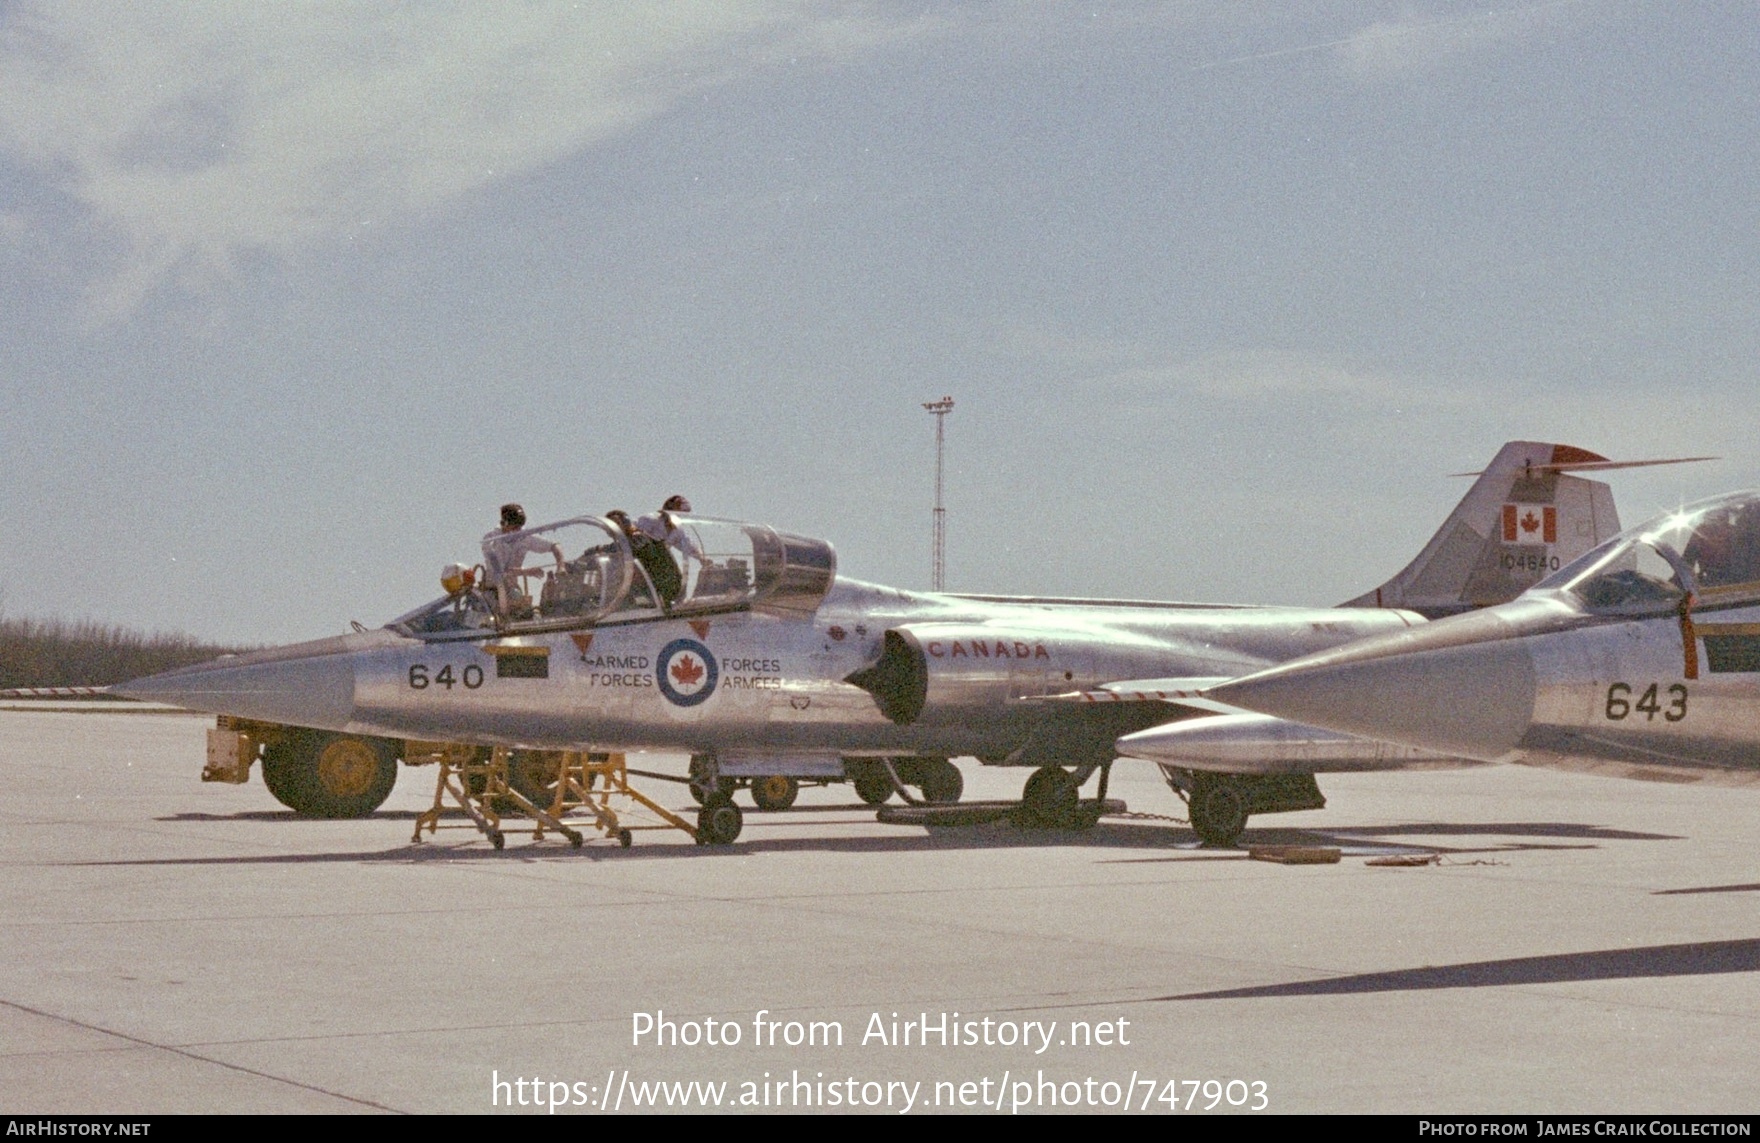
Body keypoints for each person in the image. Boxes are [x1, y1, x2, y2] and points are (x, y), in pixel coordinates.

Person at [480, 503, 564, 617]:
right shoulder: (490, 541)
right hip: (492, 590)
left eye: (520, 527)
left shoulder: (524, 536)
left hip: (512, 590)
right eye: (514, 527)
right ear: (503, 523)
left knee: (529, 614)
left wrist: (561, 566)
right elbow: (499, 572)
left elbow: (555, 546)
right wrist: (525, 572)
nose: (517, 531)